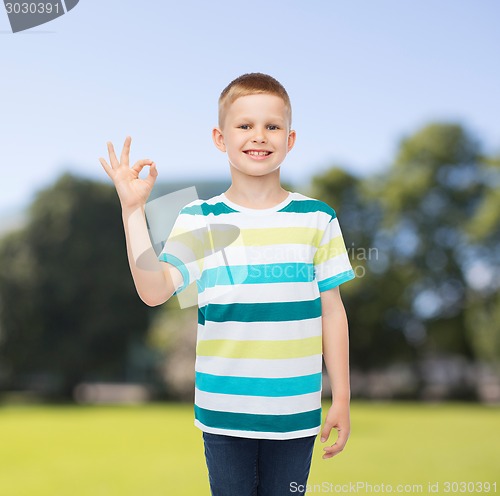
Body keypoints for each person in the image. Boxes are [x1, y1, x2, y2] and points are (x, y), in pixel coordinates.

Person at [100, 73, 355, 496]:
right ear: (220, 138)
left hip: (295, 414)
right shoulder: (198, 218)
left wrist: (342, 398)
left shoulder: (318, 218)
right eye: (245, 125)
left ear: (290, 140)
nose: (260, 136)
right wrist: (132, 211)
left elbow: (333, 311)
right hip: (222, 414)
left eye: (272, 126)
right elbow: (154, 290)